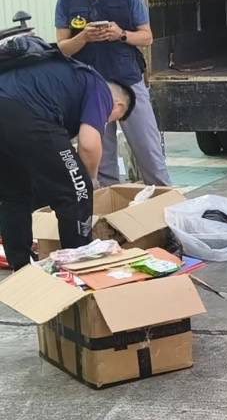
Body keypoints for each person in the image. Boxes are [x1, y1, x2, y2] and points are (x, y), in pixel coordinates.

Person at [0, 55, 134, 270]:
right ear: (118, 105)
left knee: (15, 195)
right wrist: (88, 178)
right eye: (114, 118)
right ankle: (80, 267)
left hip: (10, 109)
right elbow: (89, 143)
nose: (108, 121)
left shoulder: (66, 74)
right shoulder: (99, 87)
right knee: (76, 192)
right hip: (29, 114)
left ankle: (22, 268)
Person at [55, 0, 171, 187]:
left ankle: (165, 203)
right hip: (89, 87)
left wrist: (121, 35)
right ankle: (108, 211)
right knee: (101, 158)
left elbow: (147, 37)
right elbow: (62, 48)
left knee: (148, 149)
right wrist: (83, 37)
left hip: (128, 83)